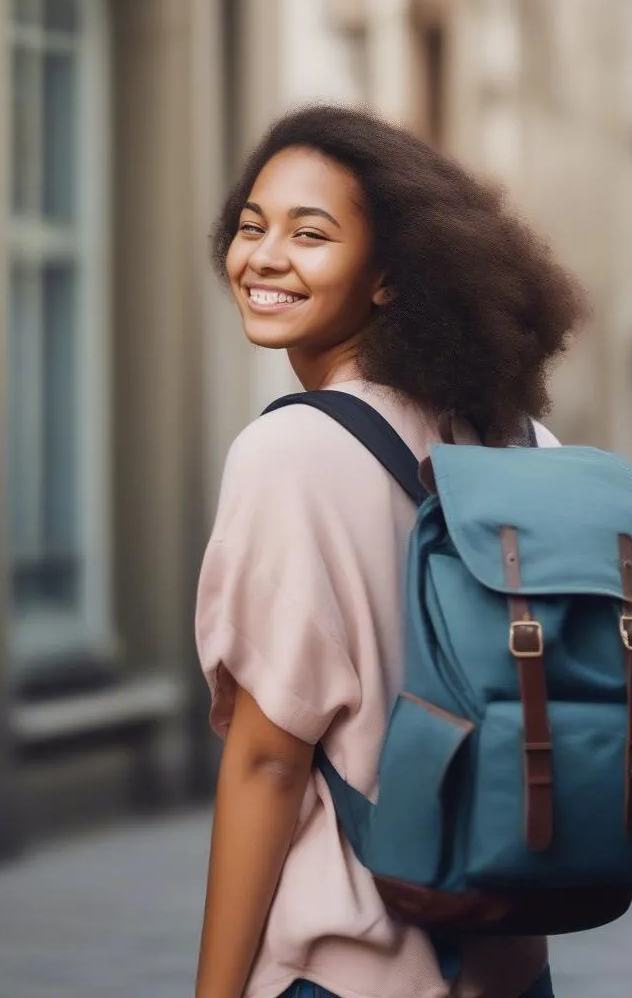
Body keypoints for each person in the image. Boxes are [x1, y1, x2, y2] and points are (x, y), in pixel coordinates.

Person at [193, 105, 586, 998]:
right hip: (509, 960)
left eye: (311, 233)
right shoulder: (527, 444)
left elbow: (267, 760)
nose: (263, 256)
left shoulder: (291, 451)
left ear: (387, 278)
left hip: (351, 965)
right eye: (252, 226)